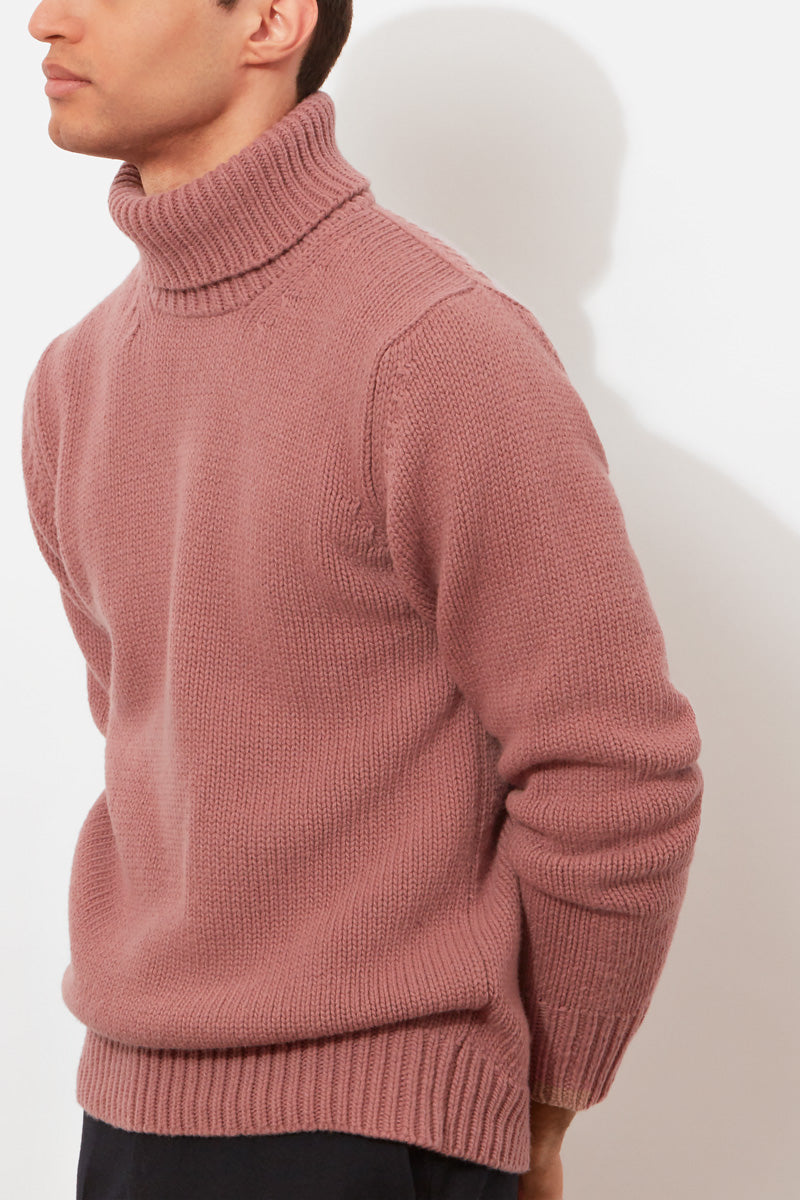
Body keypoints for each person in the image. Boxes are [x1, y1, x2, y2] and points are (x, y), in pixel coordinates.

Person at [23, 2, 704, 1199]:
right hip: (126, 1114)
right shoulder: (73, 379)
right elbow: (146, 736)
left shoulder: (434, 349)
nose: (45, 19)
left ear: (269, 21)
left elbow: (613, 772)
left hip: (371, 1131)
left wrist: (537, 1106)